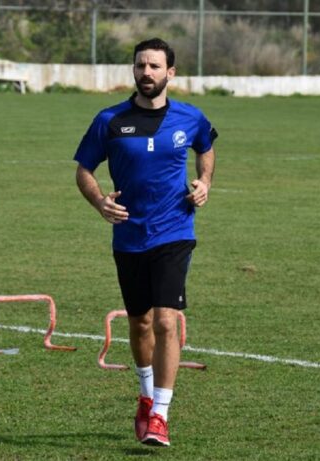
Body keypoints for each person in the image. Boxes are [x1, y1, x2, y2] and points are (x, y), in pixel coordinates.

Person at [74, 37, 217, 447]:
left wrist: (204, 182)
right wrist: (99, 201)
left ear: (170, 72)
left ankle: (160, 415)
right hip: (129, 235)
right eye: (140, 66)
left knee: (166, 321)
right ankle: (145, 395)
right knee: (139, 323)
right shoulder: (110, 120)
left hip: (175, 231)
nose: (146, 73)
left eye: (154, 66)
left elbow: (206, 146)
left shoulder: (190, 117)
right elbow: (84, 169)